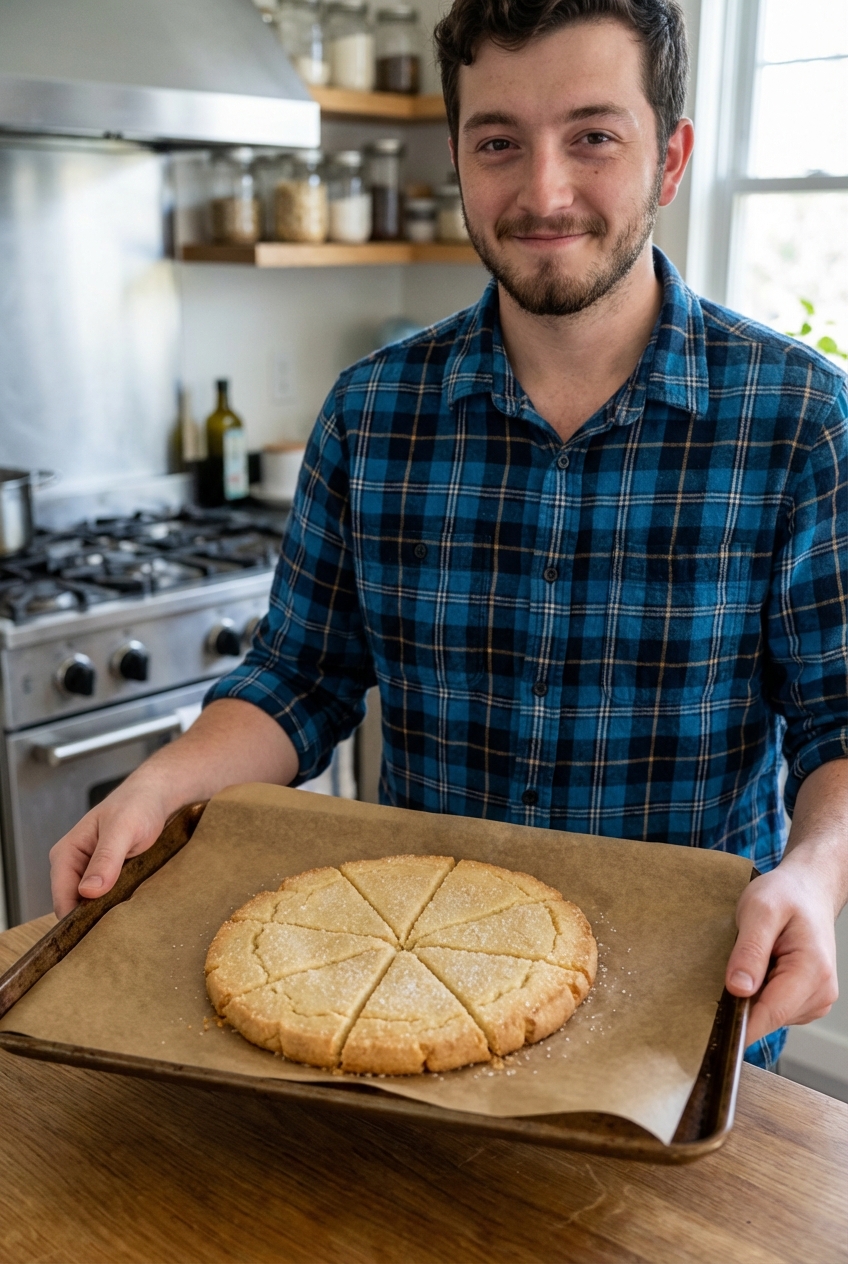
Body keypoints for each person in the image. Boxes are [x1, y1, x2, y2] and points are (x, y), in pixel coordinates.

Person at [50, 0, 847, 1070]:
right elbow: (300, 677)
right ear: (458, 160)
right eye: (498, 143)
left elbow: (834, 722)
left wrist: (812, 872)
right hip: (410, 1003)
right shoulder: (371, 412)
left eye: (592, 137)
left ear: (668, 160)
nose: (542, 190)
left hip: (688, 1003)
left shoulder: (798, 419)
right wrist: (160, 782)